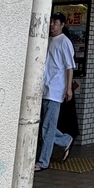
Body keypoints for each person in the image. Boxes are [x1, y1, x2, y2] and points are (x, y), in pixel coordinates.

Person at [36, 12, 75, 171]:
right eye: (51, 21)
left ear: (62, 25)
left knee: (47, 127)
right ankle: (65, 140)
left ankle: (43, 162)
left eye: (55, 22)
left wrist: (68, 88)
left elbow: (69, 67)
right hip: (45, 88)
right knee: (46, 126)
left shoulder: (65, 42)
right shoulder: (49, 40)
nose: (52, 24)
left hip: (56, 89)